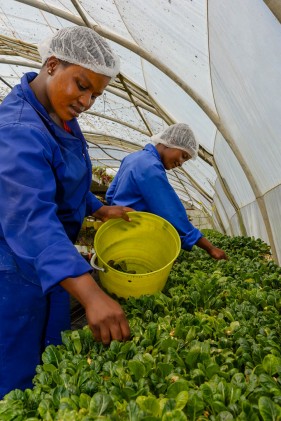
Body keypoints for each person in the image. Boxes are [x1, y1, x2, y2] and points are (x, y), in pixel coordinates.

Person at [0, 26, 133, 398]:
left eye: (95, 94)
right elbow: (30, 218)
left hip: (54, 263)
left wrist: (98, 208)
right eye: (82, 85)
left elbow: (62, 183)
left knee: (50, 360)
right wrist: (90, 295)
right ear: (52, 64)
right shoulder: (17, 130)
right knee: (15, 374)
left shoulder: (60, 117)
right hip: (13, 268)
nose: (87, 101)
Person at [106, 123, 227, 260]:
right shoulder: (150, 167)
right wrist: (210, 248)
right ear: (169, 143)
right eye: (183, 156)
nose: (181, 163)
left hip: (116, 235)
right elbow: (172, 213)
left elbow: (111, 194)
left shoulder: (132, 158)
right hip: (135, 240)